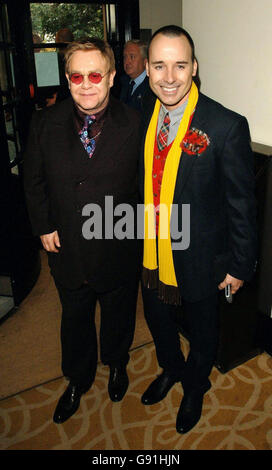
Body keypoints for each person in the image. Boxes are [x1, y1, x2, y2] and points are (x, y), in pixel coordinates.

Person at [139, 25, 257, 434]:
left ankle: (194, 386)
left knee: (204, 332)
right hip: (151, 253)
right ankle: (171, 369)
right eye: (159, 65)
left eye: (179, 65)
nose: (169, 77)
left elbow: (242, 205)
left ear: (194, 68)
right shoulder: (144, 117)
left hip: (202, 258)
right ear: (149, 70)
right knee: (158, 322)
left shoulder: (225, 126)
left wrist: (240, 266)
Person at [24, 38, 141, 424]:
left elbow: (147, 190)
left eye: (95, 74)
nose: (86, 84)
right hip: (68, 247)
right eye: (77, 75)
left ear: (111, 78)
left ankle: (117, 362)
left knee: (118, 313)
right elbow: (33, 180)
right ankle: (77, 377)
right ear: (67, 79)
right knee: (74, 317)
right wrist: (42, 225)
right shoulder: (44, 123)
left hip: (117, 244)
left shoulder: (136, 124)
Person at [119, 39, 150, 111]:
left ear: (145, 61)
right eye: (125, 57)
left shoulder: (151, 87)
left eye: (132, 57)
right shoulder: (122, 82)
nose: (127, 62)